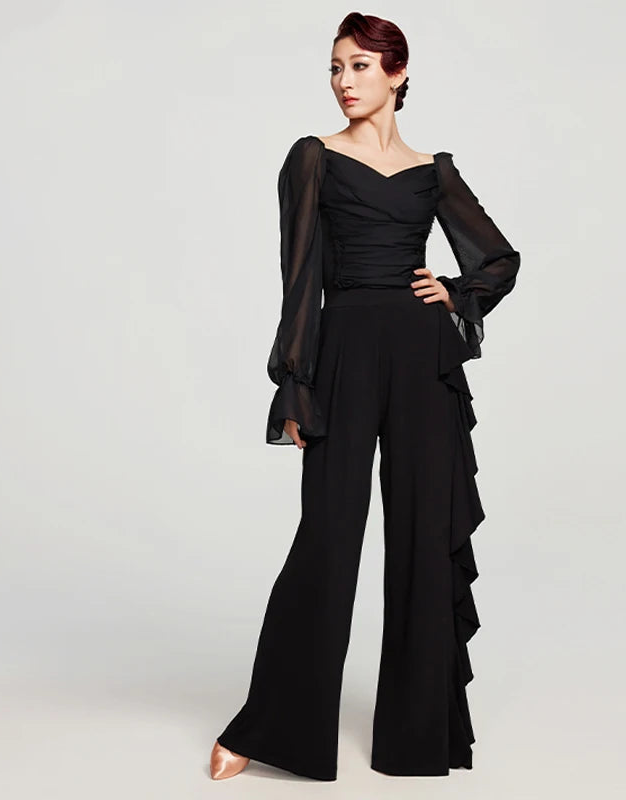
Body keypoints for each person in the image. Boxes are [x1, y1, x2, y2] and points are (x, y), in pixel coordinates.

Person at [210, 11, 520, 782]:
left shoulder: (433, 170)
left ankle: (417, 740)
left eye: (358, 66)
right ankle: (266, 729)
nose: (343, 81)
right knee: (327, 537)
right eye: (335, 68)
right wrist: (295, 383)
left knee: (423, 538)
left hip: (422, 361)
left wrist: (454, 291)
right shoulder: (313, 158)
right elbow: (300, 278)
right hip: (343, 353)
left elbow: (498, 259)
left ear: (397, 73)